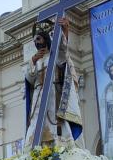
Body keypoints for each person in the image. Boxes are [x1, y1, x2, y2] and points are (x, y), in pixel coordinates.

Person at [23, 17, 83, 152]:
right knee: (36, 123)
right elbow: (30, 80)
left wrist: (65, 31)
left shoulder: (54, 55)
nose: (36, 43)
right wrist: (33, 61)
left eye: (38, 39)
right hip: (38, 97)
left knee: (54, 122)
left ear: (45, 38)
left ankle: (59, 146)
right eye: (35, 41)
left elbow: (63, 54)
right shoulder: (35, 60)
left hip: (52, 94)